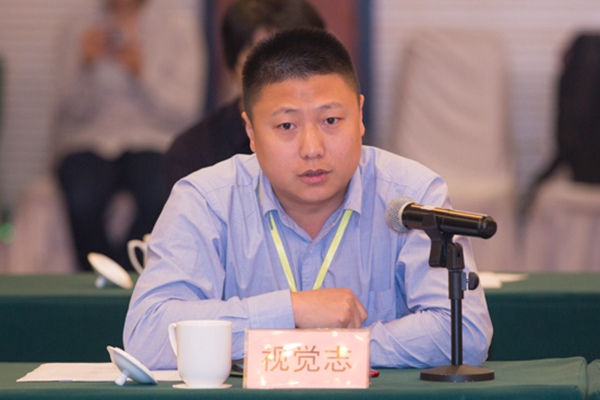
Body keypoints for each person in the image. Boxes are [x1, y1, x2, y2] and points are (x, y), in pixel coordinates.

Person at [124, 28, 493, 370]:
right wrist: (290, 310)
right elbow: (146, 335)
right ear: (251, 131)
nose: (312, 148)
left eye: (331, 121)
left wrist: (324, 347)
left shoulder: (411, 195)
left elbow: (465, 334)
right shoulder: (206, 200)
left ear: (360, 115)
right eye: (287, 126)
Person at [54, 0, 206, 270]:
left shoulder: (178, 25)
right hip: (91, 138)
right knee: (81, 196)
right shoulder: (78, 25)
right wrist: (85, 66)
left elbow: (185, 110)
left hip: (152, 139)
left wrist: (141, 72)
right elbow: (65, 107)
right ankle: (95, 276)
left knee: (158, 190)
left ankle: (128, 274)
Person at [162, 0, 324, 192]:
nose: (280, 75)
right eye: (262, 60)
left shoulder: (335, 135)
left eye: (294, 60)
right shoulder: (193, 151)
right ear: (233, 66)